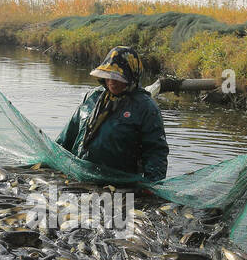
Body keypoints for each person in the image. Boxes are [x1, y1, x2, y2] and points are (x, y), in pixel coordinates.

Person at [56, 46, 169, 182]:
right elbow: (68, 135)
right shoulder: (93, 97)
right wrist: (52, 158)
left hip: (120, 183)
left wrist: (152, 183)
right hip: (80, 176)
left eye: (118, 77)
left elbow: (156, 152)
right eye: (108, 75)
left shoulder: (145, 107)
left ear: (131, 76)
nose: (111, 81)